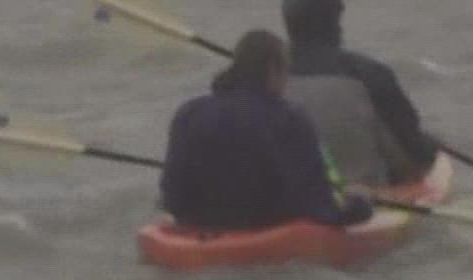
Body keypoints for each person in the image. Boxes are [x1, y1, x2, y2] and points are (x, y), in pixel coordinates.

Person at [159, 29, 375, 232]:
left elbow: (171, 197)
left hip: (197, 226)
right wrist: (361, 206)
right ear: (273, 68)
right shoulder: (289, 119)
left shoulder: (188, 113)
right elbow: (322, 207)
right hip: (262, 232)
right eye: (286, 70)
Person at [280, 0, 439, 188]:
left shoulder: (261, 75)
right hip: (363, 198)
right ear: (334, 21)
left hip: (280, 198)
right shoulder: (370, 74)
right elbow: (414, 150)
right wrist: (432, 147)